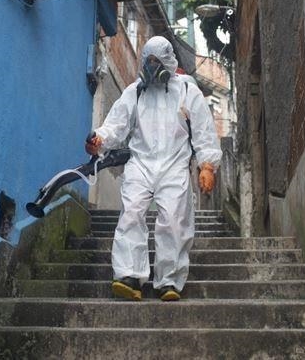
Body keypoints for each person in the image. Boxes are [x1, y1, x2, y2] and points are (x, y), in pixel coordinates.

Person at [85, 36, 222, 301]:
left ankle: (168, 281)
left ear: (168, 61)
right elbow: (116, 124)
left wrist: (207, 165)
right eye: (147, 60)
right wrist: (99, 140)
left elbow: (204, 131)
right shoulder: (135, 92)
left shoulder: (187, 90)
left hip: (174, 164)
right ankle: (129, 276)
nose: (151, 66)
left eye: (156, 61)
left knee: (173, 220)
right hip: (141, 163)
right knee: (131, 213)